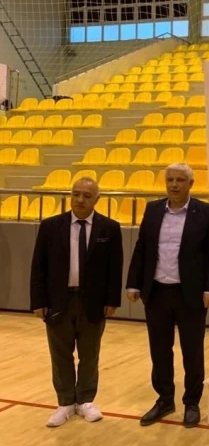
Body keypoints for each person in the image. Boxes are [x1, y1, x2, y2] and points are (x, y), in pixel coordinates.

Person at [126, 163, 209, 428]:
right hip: (156, 291)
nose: (174, 185)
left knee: (192, 351)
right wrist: (133, 283)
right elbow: (141, 247)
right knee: (159, 350)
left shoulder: (206, 212)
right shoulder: (153, 209)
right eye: (170, 180)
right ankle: (165, 399)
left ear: (191, 184)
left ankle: (191, 402)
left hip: (190, 294)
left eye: (180, 180)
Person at [29, 177, 123, 427]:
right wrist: (38, 300)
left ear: (97, 199)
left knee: (90, 354)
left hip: (93, 302)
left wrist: (112, 300)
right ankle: (65, 402)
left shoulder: (109, 228)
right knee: (60, 354)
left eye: (86, 196)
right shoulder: (50, 226)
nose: (80, 200)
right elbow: (38, 267)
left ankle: (85, 400)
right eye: (76, 194)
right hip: (58, 300)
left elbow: (115, 268)